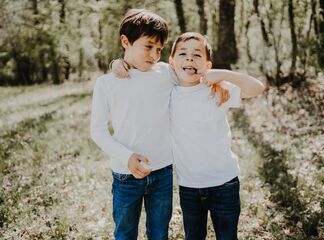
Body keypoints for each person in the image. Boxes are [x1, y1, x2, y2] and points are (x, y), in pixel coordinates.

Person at [91, 9, 228, 240]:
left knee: (159, 233)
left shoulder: (166, 72)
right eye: (148, 46)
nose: (155, 54)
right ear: (125, 41)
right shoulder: (107, 83)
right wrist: (126, 156)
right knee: (124, 233)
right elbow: (97, 131)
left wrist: (218, 82)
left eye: (159, 49)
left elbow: (193, 73)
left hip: (163, 171)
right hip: (126, 173)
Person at [112, 32, 265, 239]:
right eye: (183, 54)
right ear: (172, 63)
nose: (190, 59)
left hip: (225, 183)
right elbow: (140, 71)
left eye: (197, 55)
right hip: (189, 187)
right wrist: (117, 63)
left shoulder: (217, 91)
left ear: (207, 65)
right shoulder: (167, 91)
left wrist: (222, 75)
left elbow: (257, 88)